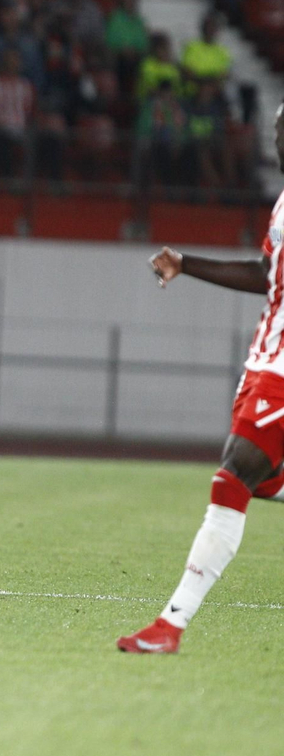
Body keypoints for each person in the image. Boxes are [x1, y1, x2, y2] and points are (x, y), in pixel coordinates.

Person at [119, 103, 284, 653]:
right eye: (278, 127)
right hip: (266, 357)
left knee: (235, 472)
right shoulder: (283, 204)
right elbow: (267, 276)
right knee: (259, 478)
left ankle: (171, 625)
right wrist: (188, 264)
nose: (279, 137)